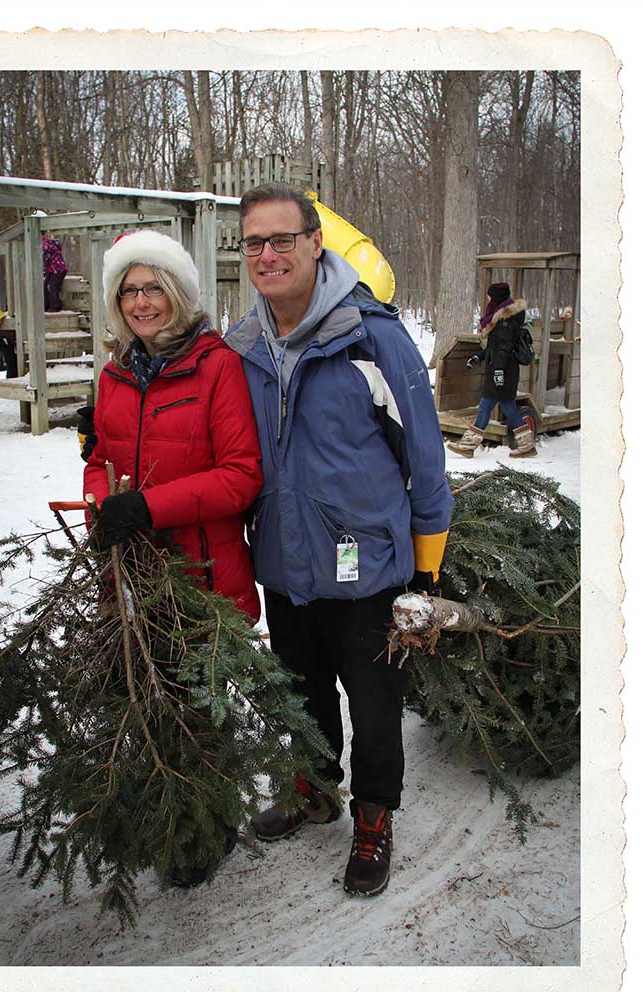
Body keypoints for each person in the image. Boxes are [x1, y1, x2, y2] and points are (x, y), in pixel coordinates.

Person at [225, 183, 453, 897]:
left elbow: (426, 458)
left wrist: (427, 575)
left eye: (282, 239)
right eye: (254, 242)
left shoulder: (374, 337)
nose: (268, 254)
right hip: (287, 563)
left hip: (372, 571)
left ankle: (374, 815)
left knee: (374, 706)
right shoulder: (242, 346)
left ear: (315, 242)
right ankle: (314, 789)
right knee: (301, 690)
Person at [84, 229, 264, 884]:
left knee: (196, 715)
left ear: (178, 292)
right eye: (128, 290)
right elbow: (98, 460)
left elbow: (242, 475)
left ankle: (205, 830)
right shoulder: (113, 372)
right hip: (134, 578)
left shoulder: (216, 366)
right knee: (149, 705)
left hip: (203, 580)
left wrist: (149, 508)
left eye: (152, 286)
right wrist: (102, 505)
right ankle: (163, 814)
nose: (140, 301)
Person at [448, 282, 536, 458]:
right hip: (503, 370)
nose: (488, 298)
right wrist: (478, 357)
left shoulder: (505, 321)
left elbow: (503, 349)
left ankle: (468, 445)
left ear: (496, 298)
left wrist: (497, 372)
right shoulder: (502, 319)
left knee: (487, 406)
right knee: (505, 406)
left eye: (490, 296)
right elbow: (495, 348)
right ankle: (526, 445)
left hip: (502, 371)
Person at [42, 229, 68, 312]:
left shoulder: (45, 245)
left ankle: (55, 306)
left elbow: (46, 258)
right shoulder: (49, 243)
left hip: (57, 269)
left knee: (52, 286)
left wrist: (43, 266)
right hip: (53, 269)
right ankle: (46, 305)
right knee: (45, 285)